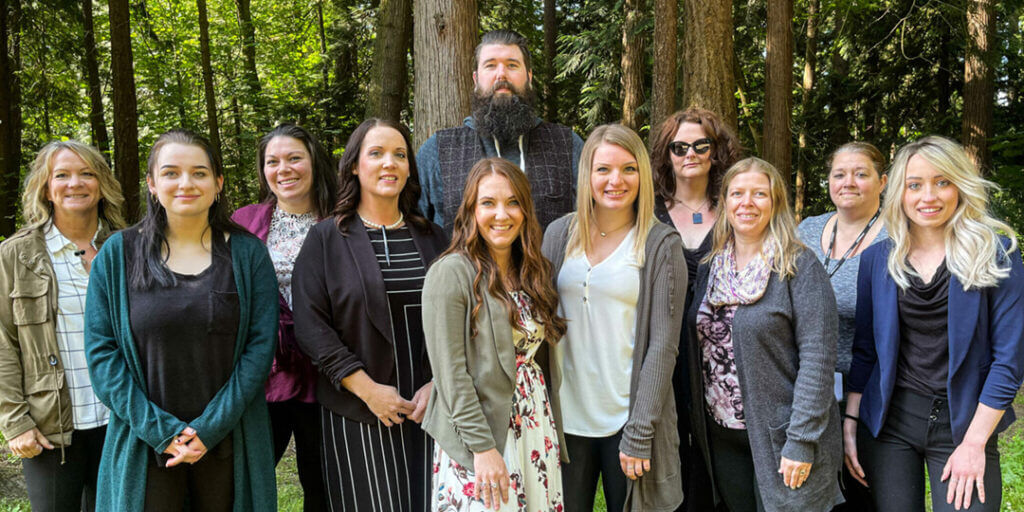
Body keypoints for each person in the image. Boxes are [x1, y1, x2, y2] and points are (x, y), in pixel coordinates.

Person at [84, 130, 278, 510]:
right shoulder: (117, 254)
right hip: (145, 443)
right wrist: (162, 431)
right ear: (152, 184)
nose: (186, 183)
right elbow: (102, 354)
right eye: (171, 173)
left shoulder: (248, 254)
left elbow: (259, 348)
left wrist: (207, 430)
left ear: (218, 183)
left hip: (229, 440)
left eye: (199, 173)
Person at [845, 136, 1024, 512]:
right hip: (891, 425)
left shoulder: (996, 253)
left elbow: (1009, 361)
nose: (929, 196)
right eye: (915, 185)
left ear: (960, 185)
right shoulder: (878, 260)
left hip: (963, 423)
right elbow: (865, 353)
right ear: (899, 193)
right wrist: (850, 423)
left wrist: (974, 444)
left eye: (942, 182)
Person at [292, 118, 448, 512]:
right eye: (375, 154)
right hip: (359, 410)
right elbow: (311, 327)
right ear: (354, 167)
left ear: (410, 168)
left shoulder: (435, 238)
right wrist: (368, 391)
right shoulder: (326, 238)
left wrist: (439, 384)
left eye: (399, 154)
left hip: (431, 408)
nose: (389, 163)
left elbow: (461, 319)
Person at [543, 124, 687, 512]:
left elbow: (663, 346)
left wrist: (640, 432)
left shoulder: (660, 245)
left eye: (628, 169)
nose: (615, 180)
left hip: (627, 419)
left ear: (642, 173)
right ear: (586, 174)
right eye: (603, 169)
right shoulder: (559, 235)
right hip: (566, 418)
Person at [686, 157, 843, 511]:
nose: (747, 203)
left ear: (775, 203)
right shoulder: (712, 266)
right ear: (724, 202)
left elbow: (818, 361)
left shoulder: (798, 266)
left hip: (783, 437)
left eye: (760, 194)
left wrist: (801, 441)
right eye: (738, 193)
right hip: (723, 434)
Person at [423, 157, 568, 511]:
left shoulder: (533, 272)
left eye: (512, 202)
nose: (501, 214)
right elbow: (451, 375)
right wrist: (483, 449)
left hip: (533, 422)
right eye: (488, 203)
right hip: (479, 431)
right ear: (471, 210)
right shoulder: (451, 273)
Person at [0, 141, 126, 511]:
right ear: (45, 187)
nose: (76, 183)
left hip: (120, 421)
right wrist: (15, 422)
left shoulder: (127, 246)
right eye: (62, 175)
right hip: (50, 428)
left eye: (87, 173)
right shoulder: (16, 255)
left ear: (102, 183)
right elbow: (3, 342)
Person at [232, 123, 336, 511]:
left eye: (294, 158)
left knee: (322, 485)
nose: (284, 169)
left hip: (327, 376)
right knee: (246, 483)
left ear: (314, 162)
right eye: (272, 161)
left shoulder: (341, 221)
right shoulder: (243, 222)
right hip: (264, 376)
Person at [650, 106, 742, 512]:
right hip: (663, 350)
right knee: (672, 451)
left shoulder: (736, 209)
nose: (690, 153)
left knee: (717, 461)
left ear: (716, 151)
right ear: (666, 154)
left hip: (722, 358)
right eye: (679, 146)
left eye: (700, 144)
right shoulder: (647, 212)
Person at [417, 29, 584, 233]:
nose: (501, 74)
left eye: (512, 65)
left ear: (529, 77)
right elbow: (415, 230)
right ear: (476, 79)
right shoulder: (438, 150)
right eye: (491, 65)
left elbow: (595, 221)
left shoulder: (566, 145)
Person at [797, 142, 887, 511]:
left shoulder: (897, 235)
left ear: (882, 183)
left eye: (861, 174)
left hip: (871, 394)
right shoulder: (807, 229)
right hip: (811, 392)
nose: (848, 181)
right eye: (839, 174)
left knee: (862, 492)